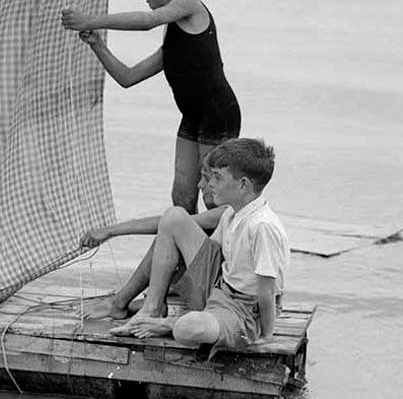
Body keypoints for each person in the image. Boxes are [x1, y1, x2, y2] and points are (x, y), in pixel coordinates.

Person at [61, 0, 240, 213]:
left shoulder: (189, 4)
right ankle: (187, 249)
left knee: (214, 198)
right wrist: (97, 44)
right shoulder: (175, 37)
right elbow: (128, 77)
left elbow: (147, 21)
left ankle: (219, 252)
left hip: (218, 115)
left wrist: (89, 20)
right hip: (192, 116)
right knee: (181, 195)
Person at [87, 138, 289, 350]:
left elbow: (267, 291)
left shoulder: (262, 226)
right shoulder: (232, 212)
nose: (209, 184)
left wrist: (267, 336)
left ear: (243, 184)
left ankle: (167, 323)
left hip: (245, 310)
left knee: (186, 329)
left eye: (217, 178)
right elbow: (206, 253)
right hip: (221, 289)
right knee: (174, 216)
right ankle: (151, 309)